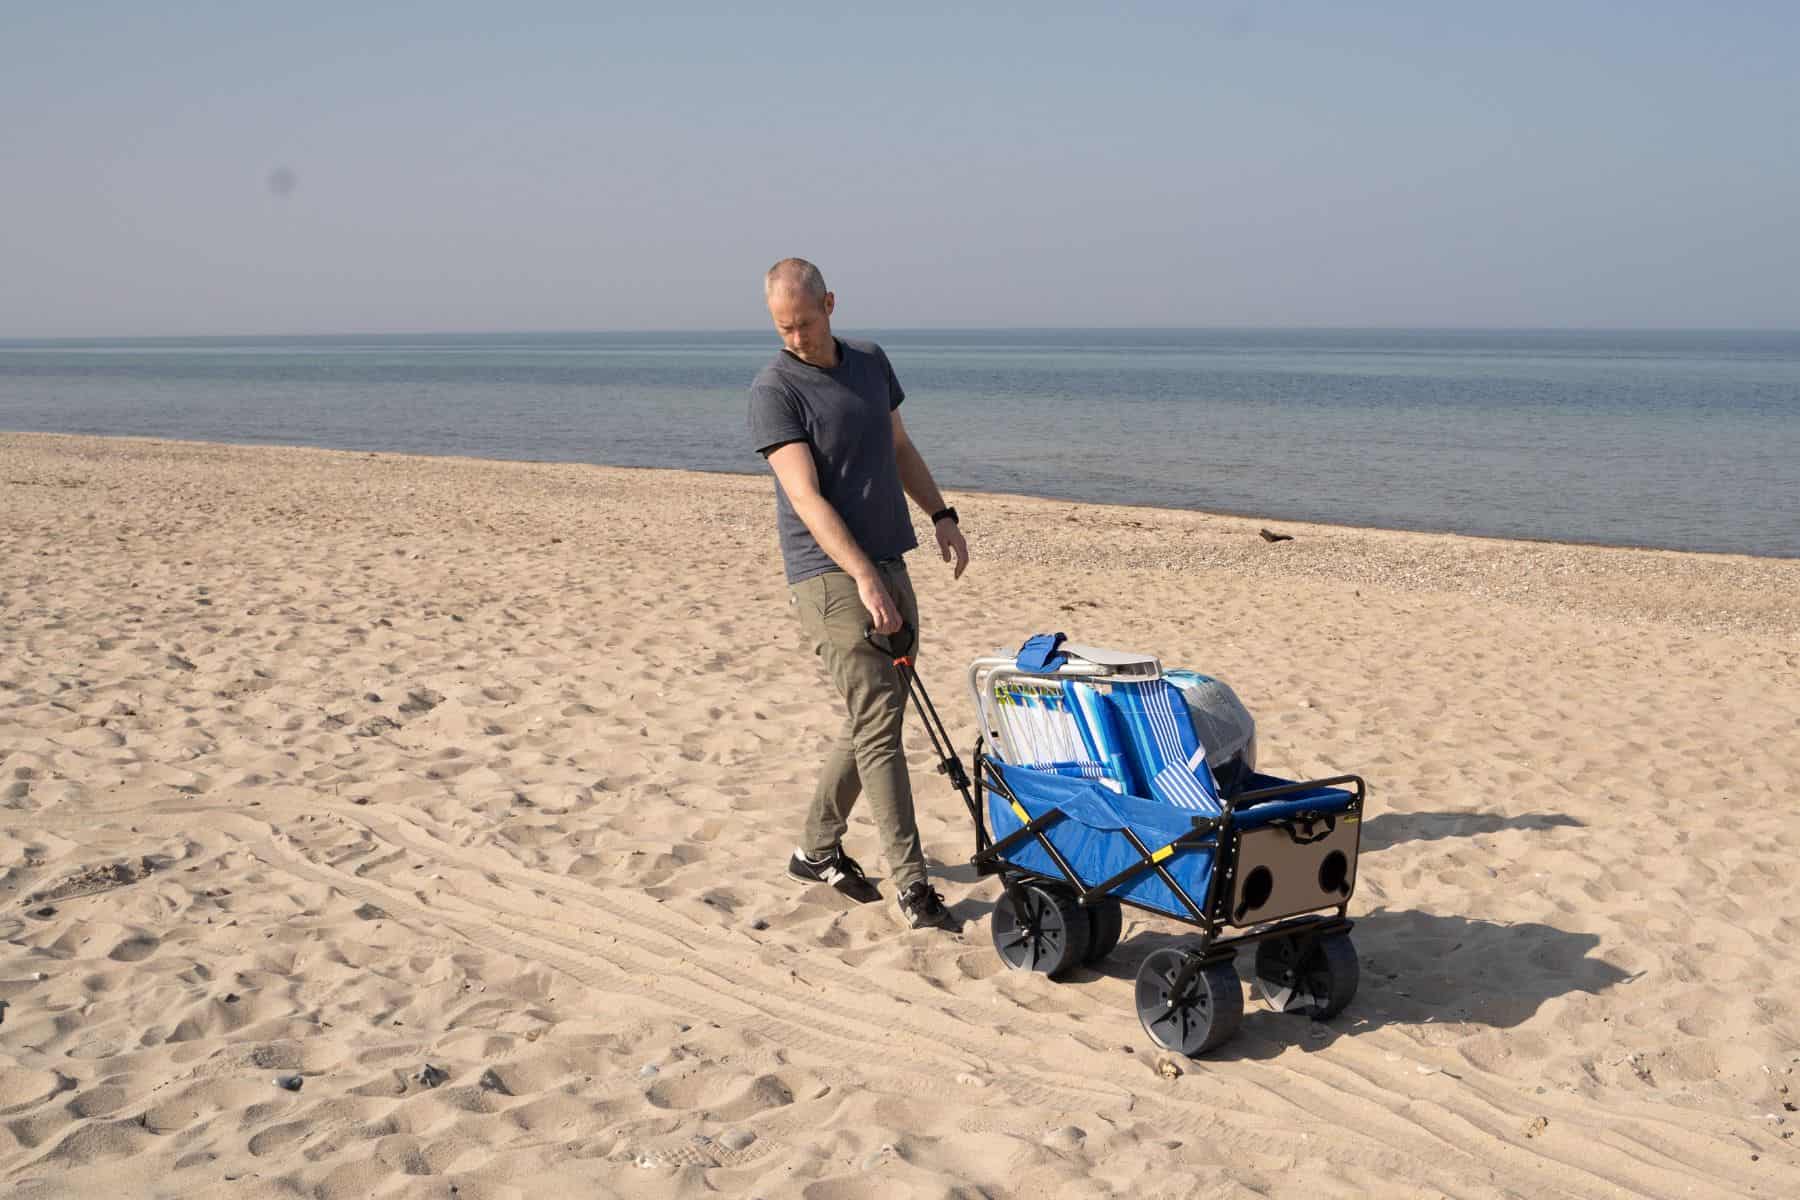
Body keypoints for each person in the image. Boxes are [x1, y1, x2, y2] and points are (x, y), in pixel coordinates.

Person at [747, 258, 969, 931]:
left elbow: (899, 447)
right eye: (784, 328)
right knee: (881, 730)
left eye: (806, 324)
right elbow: (806, 498)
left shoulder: (870, 362)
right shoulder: (774, 389)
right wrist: (862, 577)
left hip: (887, 555)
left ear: (831, 305)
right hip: (826, 573)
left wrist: (941, 513)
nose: (797, 339)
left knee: (877, 713)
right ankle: (913, 887)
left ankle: (816, 848)